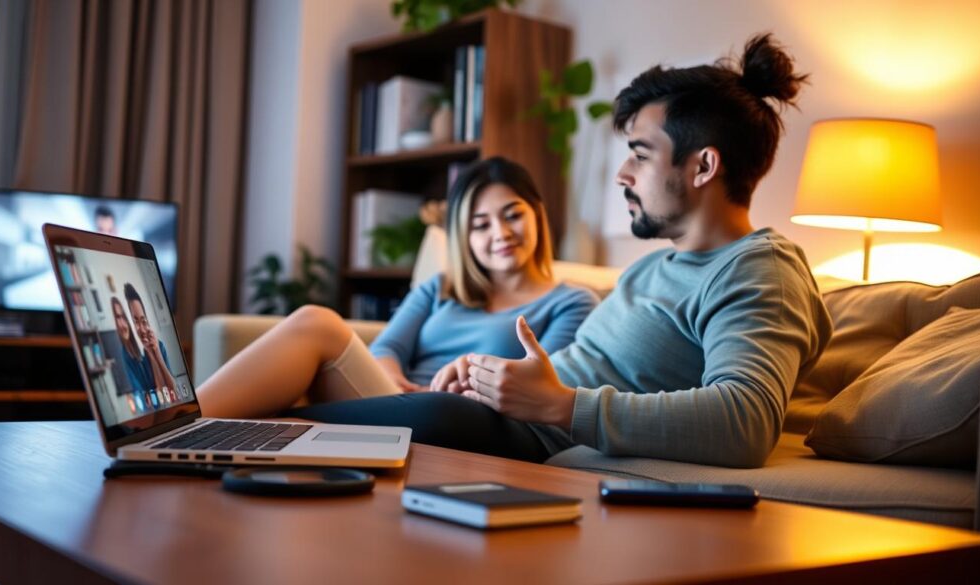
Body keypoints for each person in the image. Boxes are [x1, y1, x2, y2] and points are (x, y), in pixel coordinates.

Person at [276, 33, 833, 468]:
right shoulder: (654, 269)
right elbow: (571, 370)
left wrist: (559, 407)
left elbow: (747, 422)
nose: (622, 174)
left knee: (284, 417)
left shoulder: (760, 269)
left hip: (531, 436)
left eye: (640, 155)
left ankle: (206, 431)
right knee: (290, 407)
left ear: (704, 166)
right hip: (503, 417)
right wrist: (488, 375)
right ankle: (210, 432)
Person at [196, 157, 599, 424]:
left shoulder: (572, 302)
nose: (501, 233)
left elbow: (544, 388)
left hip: (455, 417)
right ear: (463, 236)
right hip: (394, 397)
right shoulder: (439, 288)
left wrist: (440, 387)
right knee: (311, 339)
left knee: (318, 324)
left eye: (513, 216)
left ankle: (178, 422)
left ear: (538, 217)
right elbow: (386, 349)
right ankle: (182, 427)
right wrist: (391, 375)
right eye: (481, 225)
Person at [125, 283, 178, 403]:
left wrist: (157, 354)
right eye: (136, 322)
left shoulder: (159, 345)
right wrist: (151, 357)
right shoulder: (132, 358)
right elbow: (160, 399)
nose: (143, 330)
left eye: (144, 321)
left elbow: (174, 392)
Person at [110, 296, 152, 395]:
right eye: (117, 317)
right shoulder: (121, 359)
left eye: (124, 317)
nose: (123, 325)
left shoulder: (140, 355)